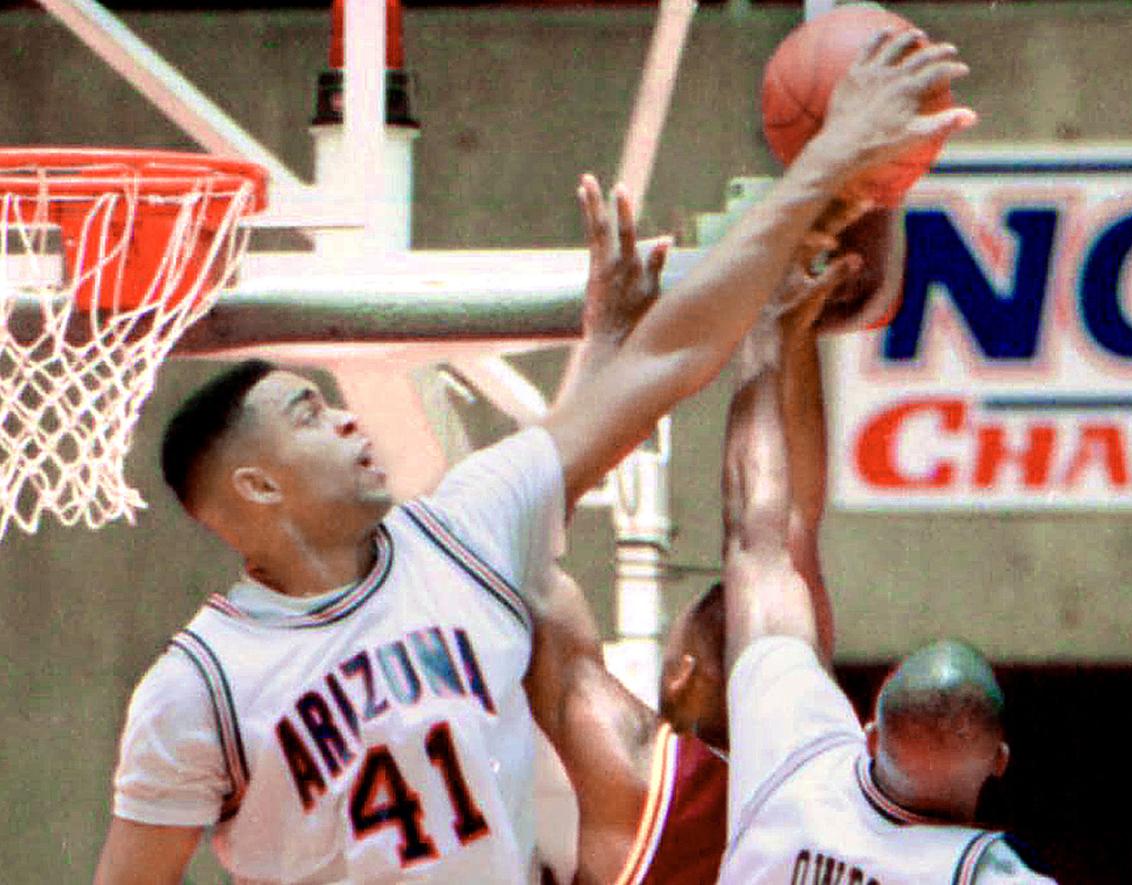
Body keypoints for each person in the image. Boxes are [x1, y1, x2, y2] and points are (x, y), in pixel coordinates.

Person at [95, 28, 976, 884]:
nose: (347, 420)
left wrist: (816, 186)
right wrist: (823, 182)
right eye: (309, 411)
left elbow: (669, 371)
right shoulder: (197, 688)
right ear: (256, 482)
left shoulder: (461, 533)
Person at [524, 194, 867, 885]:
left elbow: (521, 571)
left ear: (678, 674)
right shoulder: (831, 798)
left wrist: (607, 344)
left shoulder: (650, 784)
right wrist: (781, 332)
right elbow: (779, 526)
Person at [716, 238, 1056, 883]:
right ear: (999, 762)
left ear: (870, 733)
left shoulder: (793, 753)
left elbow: (764, 536)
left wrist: (769, 330)